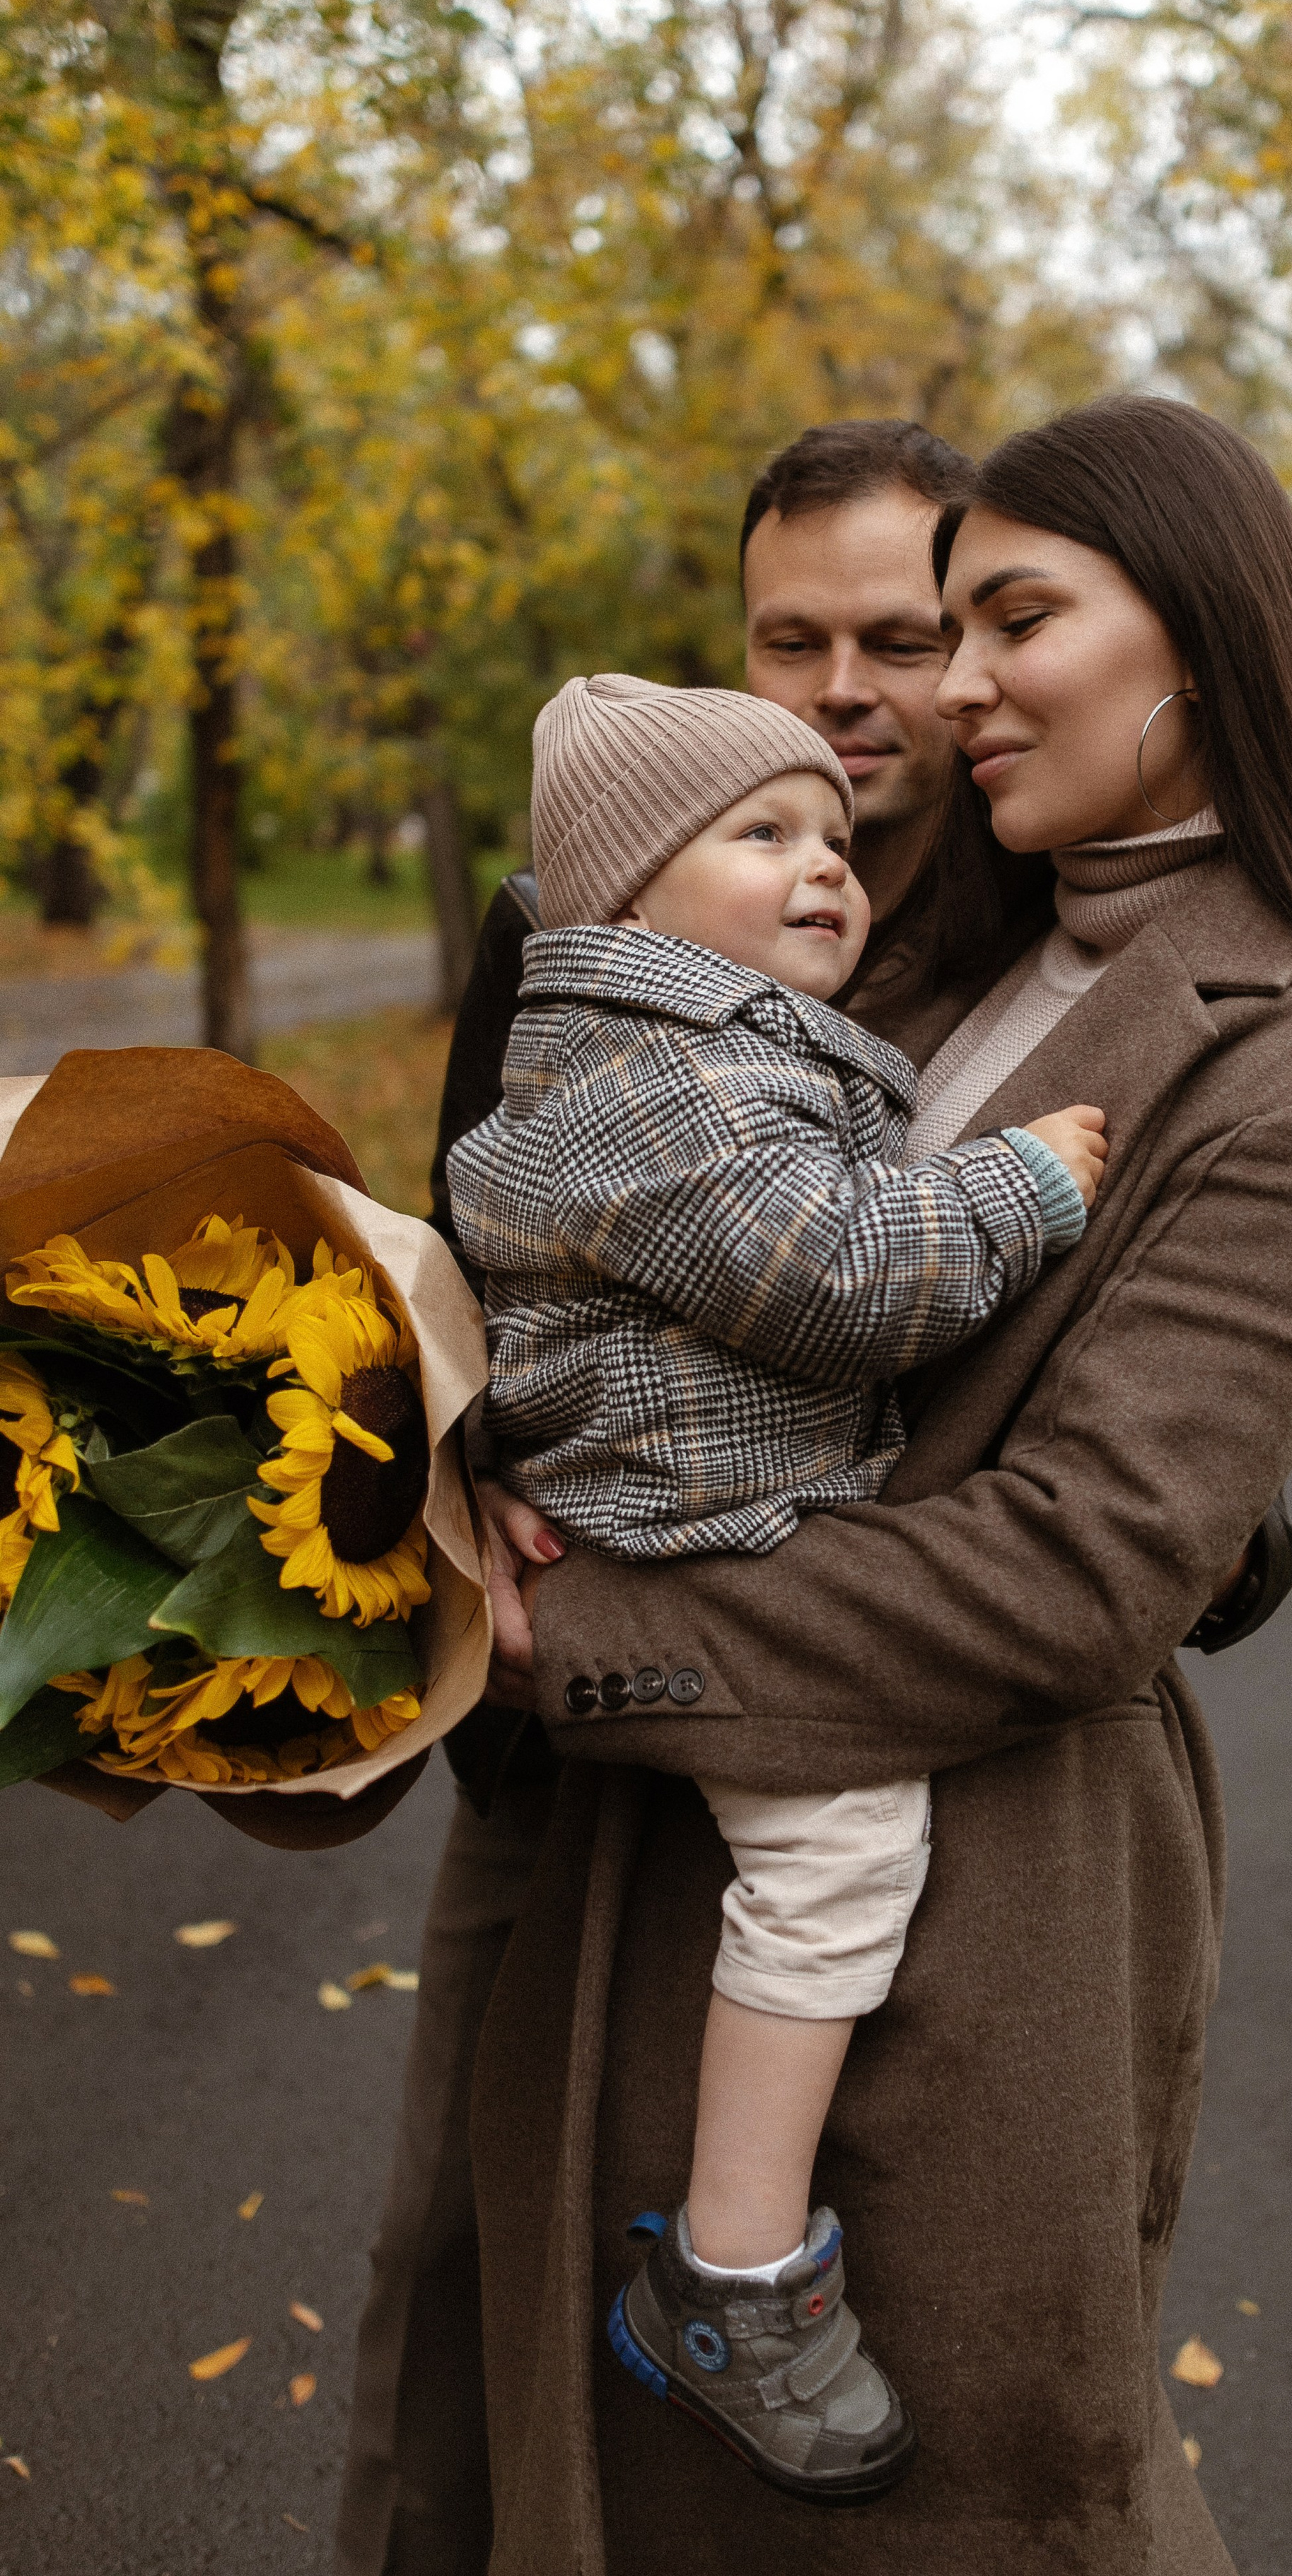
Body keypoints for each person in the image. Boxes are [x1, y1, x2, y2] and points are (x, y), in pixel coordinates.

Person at [465, 394, 1292, 2575]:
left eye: (1013, 619)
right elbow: (645, 1260)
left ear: (1197, 641)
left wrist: (581, 1635)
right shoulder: (934, 948)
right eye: (955, 624)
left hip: (969, 1909)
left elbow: (1082, 1570)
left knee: (961, 2511)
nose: (955, 682)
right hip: (695, 1851)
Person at [446, 671, 1107, 2500]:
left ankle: (735, 2258)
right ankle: (731, 2275)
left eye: (832, 834)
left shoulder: (692, 1051)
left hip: (711, 1494)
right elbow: (836, 1277)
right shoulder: (665, 1082)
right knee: (836, 1865)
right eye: (761, 834)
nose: (826, 866)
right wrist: (1022, 1189)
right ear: (623, 900)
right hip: (693, 1533)